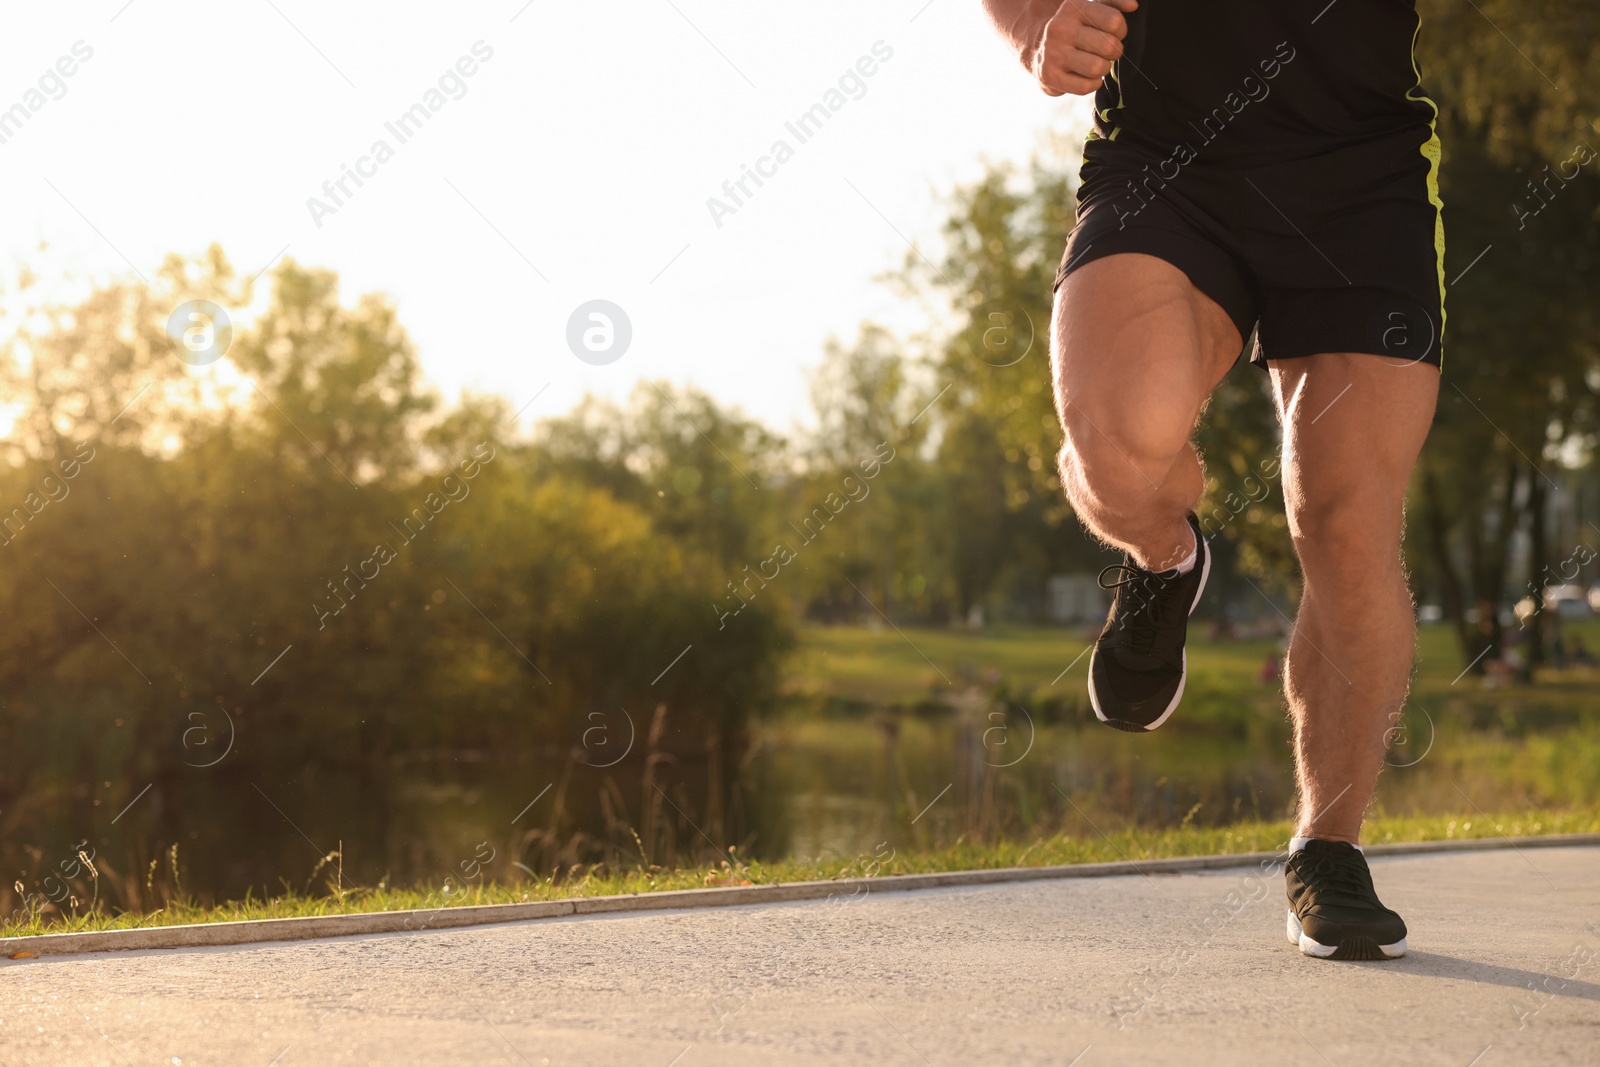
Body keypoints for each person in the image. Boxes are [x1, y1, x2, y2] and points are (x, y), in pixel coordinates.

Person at [983, 0, 1443, 960]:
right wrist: (1031, 24)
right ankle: (1162, 557)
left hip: (1360, 179)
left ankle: (1329, 847)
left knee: (1349, 521)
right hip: (1167, 162)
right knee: (1115, 443)